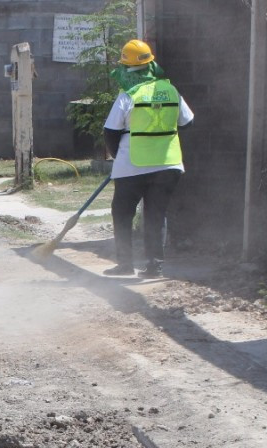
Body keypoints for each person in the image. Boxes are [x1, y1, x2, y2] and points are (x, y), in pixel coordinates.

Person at [101, 39, 193, 279]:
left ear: (125, 67)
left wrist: (116, 154)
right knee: (156, 214)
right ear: (151, 64)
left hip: (132, 165)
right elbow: (187, 121)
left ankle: (124, 264)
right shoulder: (171, 89)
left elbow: (110, 131)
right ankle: (154, 266)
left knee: (122, 212)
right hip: (168, 165)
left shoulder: (128, 94)